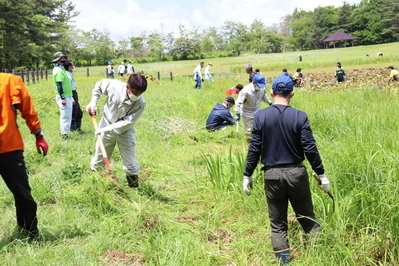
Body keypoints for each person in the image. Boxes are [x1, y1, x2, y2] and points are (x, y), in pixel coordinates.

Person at [242, 73, 330, 264]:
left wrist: (247, 175)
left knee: (278, 225)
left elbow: (254, 149)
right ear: (292, 94)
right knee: (308, 220)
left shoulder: (261, 116)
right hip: (297, 174)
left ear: (272, 92)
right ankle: (319, 259)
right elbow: (310, 149)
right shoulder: (300, 116)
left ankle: (284, 262)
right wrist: (322, 175)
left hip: (272, 176)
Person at [0, 73, 49, 240]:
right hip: (9, 148)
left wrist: (38, 134)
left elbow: (27, 109)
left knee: (22, 193)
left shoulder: (10, 81)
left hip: (9, 148)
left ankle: (30, 232)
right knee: (22, 194)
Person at [86, 74, 147, 188]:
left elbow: (127, 122)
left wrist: (105, 130)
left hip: (125, 131)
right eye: (135, 93)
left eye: (140, 93)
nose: (137, 95)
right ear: (127, 87)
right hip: (106, 123)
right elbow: (99, 85)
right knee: (99, 159)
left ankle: (133, 188)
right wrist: (93, 102)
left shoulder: (140, 103)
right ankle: (96, 184)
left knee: (130, 162)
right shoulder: (114, 86)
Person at [52, 51, 73, 139]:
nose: (63, 60)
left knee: (67, 115)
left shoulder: (61, 69)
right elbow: (59, 85)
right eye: (61, 59)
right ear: (57, 60)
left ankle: (65, 133)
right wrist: (63, 98)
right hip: (63, 97)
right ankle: (64, 135)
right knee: (65, 116)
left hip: (68, 95)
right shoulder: (59, 70)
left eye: (64, 58)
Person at [64, 60, 83, 131]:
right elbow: (67, 87)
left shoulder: (70, 74)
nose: (73, 66)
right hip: (71, 93)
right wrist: (71, 97)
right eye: (72, 65)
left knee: (79, 112)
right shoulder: (67, 76)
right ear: (69, 67)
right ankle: (72, 129)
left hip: (74, 92)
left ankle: (78, 128)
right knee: (74, 112)